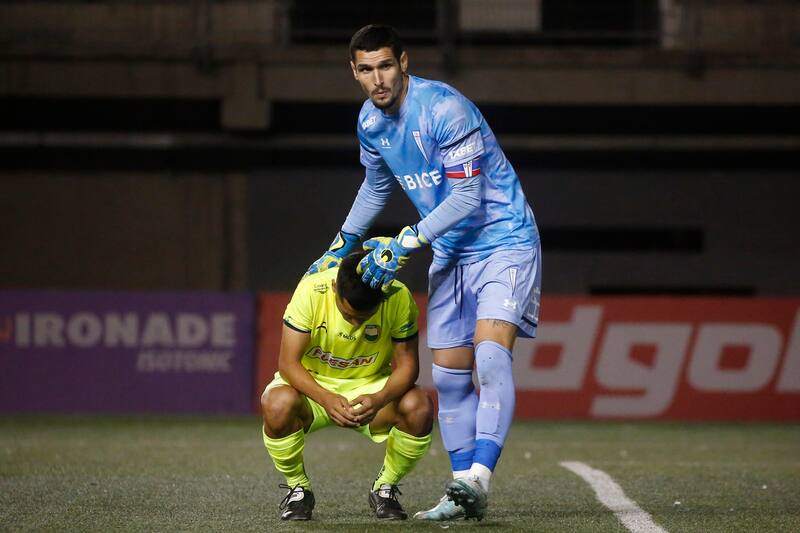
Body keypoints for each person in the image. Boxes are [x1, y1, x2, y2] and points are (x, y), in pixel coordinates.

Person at [305, 25, 542, 521]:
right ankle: (462, 493)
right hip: (450, 252)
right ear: (354, 72)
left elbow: (467, 196)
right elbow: (375, 188)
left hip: (503, 241)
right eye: (366, 70)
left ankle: (480, 476)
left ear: (404, 62)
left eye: (385, 66)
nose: (377, 80)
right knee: (449, 378)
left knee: (491, 357)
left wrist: (407, 240)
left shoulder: (444, 109)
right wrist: (340, 245)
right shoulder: (370, 122)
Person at [261, 250, 433, 521]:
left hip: (371, 386)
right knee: (277, 403)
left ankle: (384, 488)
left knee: (418, 406)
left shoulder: (397, 295)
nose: (356, 323)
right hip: (313, 386)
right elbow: (288, 364)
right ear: (333, 288)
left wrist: (379, 398)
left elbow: (409, 366)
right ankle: (298, 489)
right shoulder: (310, 290)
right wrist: (326, 398)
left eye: (365, 316)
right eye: (349, 315)